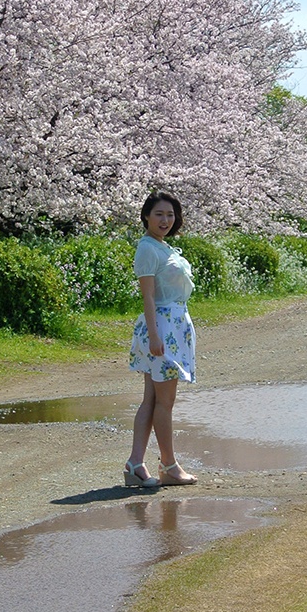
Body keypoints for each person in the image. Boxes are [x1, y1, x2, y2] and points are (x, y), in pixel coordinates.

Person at [124, 191, 197, 488]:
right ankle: (169, 466)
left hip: (171, 327)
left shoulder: (163, 247)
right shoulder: (148, 250)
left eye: (170, 214)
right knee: (164, 402)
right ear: (146, 217)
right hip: (162, 330)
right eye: (159, 214)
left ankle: (135, 464)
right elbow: (148, 296)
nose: (165, 220)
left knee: (152, 399)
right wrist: (155, 336)